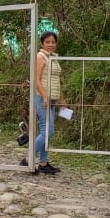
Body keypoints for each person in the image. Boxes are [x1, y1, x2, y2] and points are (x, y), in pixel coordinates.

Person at [31, 30, 65, 175]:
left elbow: (55, 81)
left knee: (47, 132)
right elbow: (36, 79)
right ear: (42, 43)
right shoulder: (40, 57)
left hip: (52, 98)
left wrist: (61, 99)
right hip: (42, 98)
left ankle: (43, 163)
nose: (51, 44)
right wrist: (45, 96)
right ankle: (28, 158)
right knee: (48, 131)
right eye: (47, 42)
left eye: (53, 42)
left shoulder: (53, 58)